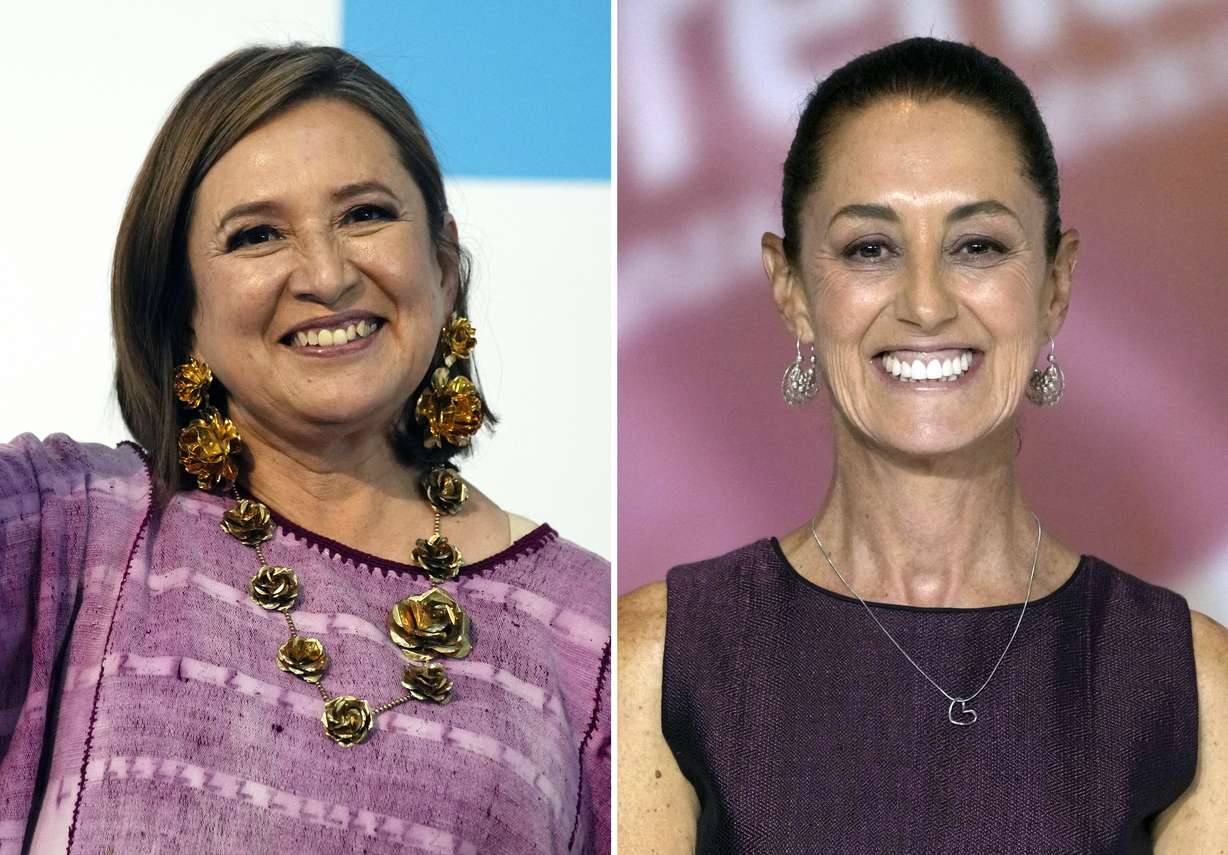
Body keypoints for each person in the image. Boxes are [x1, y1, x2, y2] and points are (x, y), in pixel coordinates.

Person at [619, 37, 1227, 853]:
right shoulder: (659, 665)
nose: (927, 303)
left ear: (1055, 284)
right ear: (791, 288)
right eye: (871, 249)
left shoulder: (1189, 681)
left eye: (977, 245)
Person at [0, 45, 609, 854]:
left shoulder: (588, 637)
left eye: (365, 214)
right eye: (257, 234)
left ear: (442, 263)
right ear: (184, 304)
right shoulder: (69, 529)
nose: (325, 274)